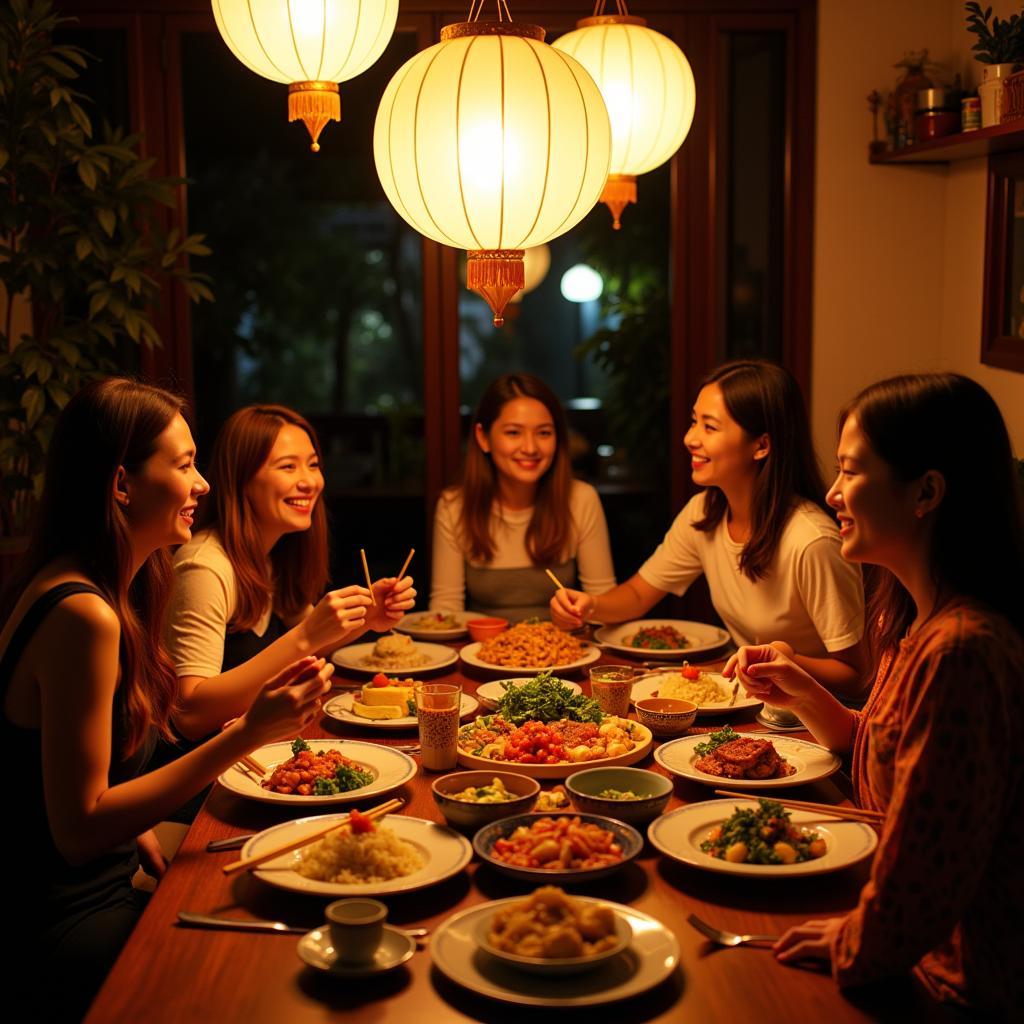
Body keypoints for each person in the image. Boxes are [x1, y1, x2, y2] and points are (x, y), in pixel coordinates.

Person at [0, 379, 333, 1020]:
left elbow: (74, 790)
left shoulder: (107, 585)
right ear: (122, 484)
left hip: (111, 875)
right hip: (69, 919)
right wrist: (246, 732)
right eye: (184, 465)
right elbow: (76, 831)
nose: (203, 484)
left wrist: (139, 824)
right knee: (272, 978)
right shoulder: (82, 615)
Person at [726, 373, 1024, 1017]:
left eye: (851, 472)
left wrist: (852, 943)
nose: (832, 493)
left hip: (949, 982)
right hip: (896, 935)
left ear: (926, 492)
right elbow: (886, 754)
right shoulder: (912, 619)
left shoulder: (962, 650)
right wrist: (804, 693)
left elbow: (923, 882)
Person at [551, 360, 866, 697]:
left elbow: (856, 674)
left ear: (761, 445)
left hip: (807, 719)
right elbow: (639, 595)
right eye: (693, 422)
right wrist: (587, 605)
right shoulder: (705, 513)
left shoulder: (811, 541)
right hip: (750, 702)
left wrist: (785, 662)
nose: (690, 439)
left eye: (710, 427)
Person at [164, 404, 415, 741]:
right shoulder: (205, 566)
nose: (309, 481)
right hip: (211, 776)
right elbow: (189, 714)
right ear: (242, 478)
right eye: (288, 467)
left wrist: (369, 616)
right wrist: (310, 633)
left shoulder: (272, 552)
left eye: (313, 465)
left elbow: (302, 639)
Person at [430, 373, 615, 621]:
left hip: (564, 652)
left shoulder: (581, 499)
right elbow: (446, 612)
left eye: (544, 433)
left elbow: (604, 604)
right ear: (483, 437)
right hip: (480, 651)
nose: (530, 448)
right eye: (514, 433)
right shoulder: (454, 505)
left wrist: (577, 619)